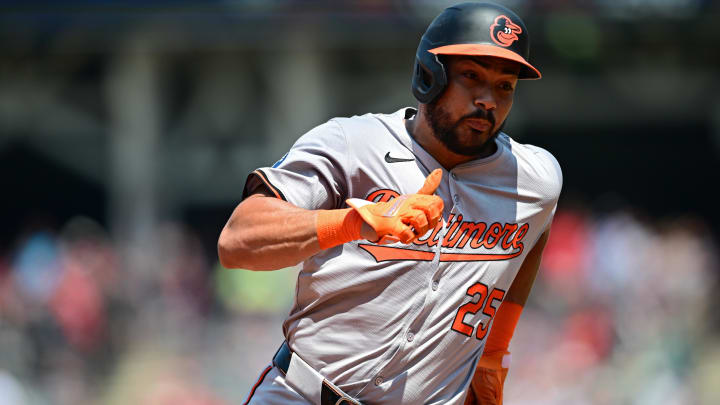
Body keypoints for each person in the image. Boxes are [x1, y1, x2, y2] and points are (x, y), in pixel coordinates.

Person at [218, 2, 562, 404]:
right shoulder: (352, 143)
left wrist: (494, 353)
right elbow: (238, 241)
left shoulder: (534, 179)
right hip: (304, 395)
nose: (488, 100)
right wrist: (351, 222)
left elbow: (531, 238)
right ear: (430, 76)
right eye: (472, 77)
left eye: (505, 85)